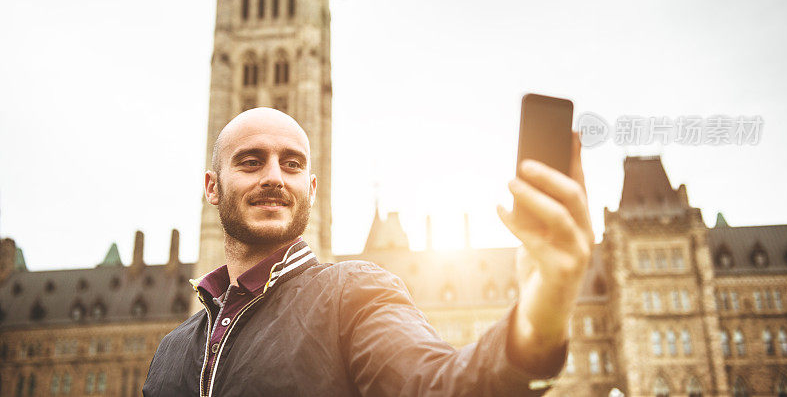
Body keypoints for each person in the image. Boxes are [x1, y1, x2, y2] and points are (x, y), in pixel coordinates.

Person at [143, 108, 593, 396]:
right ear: (212, 187)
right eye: (250, 161)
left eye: (293, 163)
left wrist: (541, 316)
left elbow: (437, 386)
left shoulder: (352, 293)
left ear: (311, 190)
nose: (275, 177)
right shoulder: (172, 352)